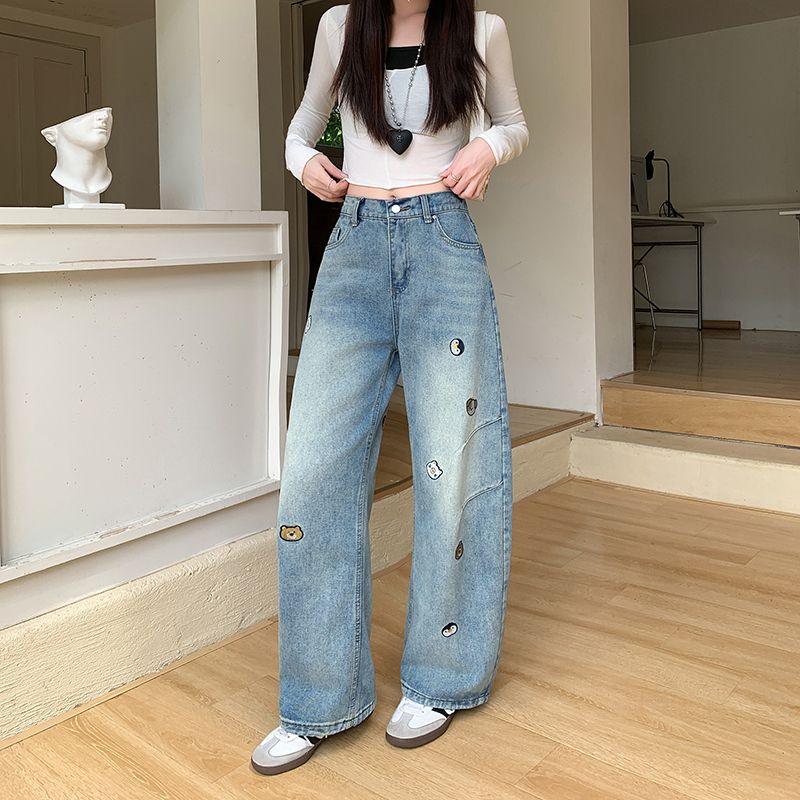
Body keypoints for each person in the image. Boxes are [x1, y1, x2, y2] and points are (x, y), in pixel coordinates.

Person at [251, 0, 528, 775]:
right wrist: (303, 163)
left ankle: (442, 675)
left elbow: (514, 122)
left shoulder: (481, 29)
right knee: (314, 472)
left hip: (444, 240)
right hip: (356, 246)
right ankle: (317, 696)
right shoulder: (340, 26)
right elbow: (301, 129)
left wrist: (489, 147)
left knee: (452, 464)